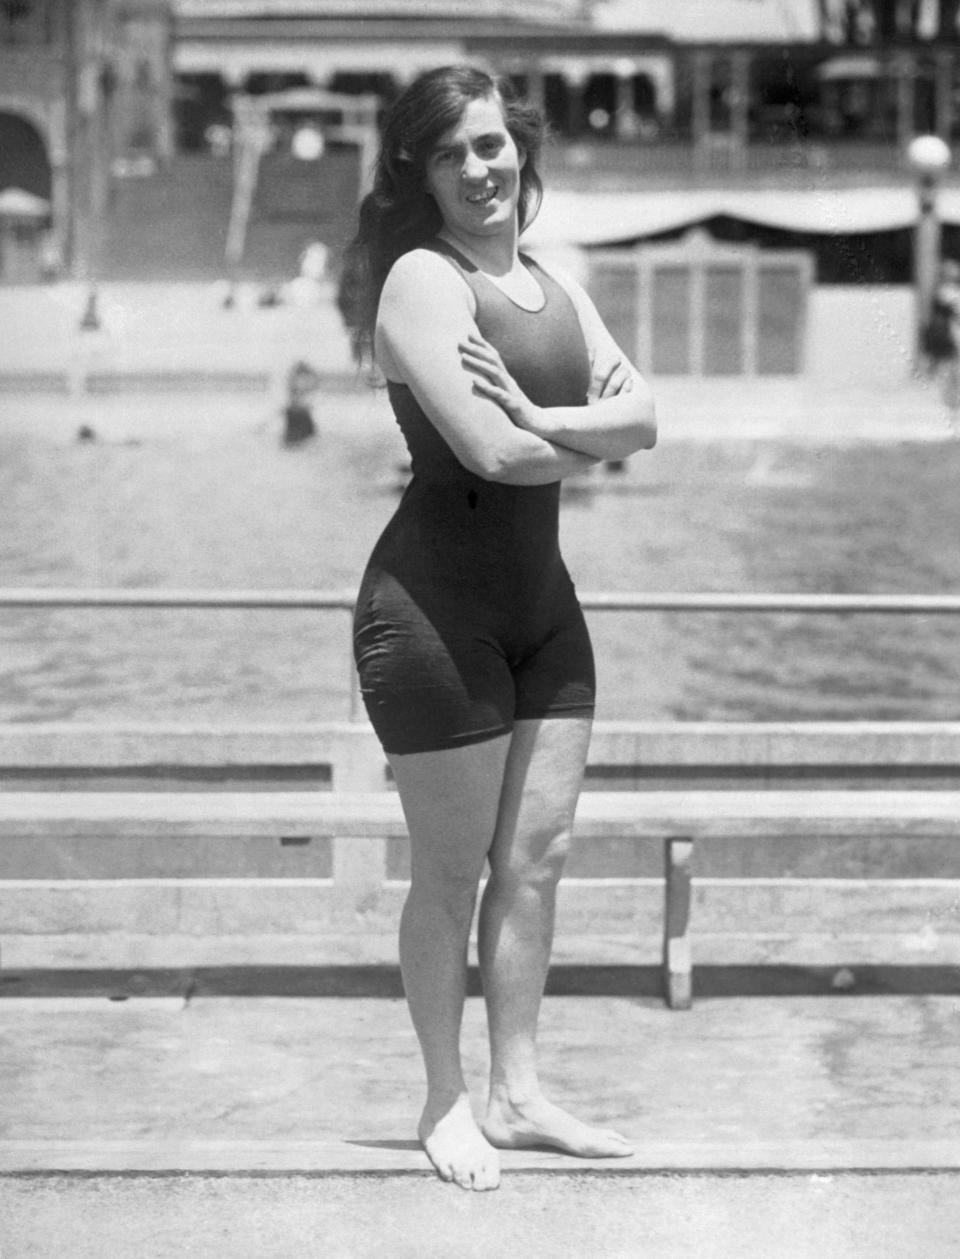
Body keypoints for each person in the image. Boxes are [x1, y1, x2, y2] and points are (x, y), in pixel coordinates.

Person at [337, 65, 656, 1192]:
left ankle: (520, 1092)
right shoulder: (422, 282)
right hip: (434, 610)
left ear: (522, 150)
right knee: (452, 869)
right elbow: (492, 453)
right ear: (417, 172)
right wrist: (575, 430)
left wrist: (542, 413)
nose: (479, 168)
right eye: (450, 153)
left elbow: (647, 414)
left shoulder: (552, 287)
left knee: (540, 859)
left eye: (492, 145)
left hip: (542, 609)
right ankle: (445, 1096)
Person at [921, 259, 960, 408]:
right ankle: (951, 400)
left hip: (951, 332)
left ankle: (952, 399)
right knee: (951, 367)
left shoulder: (949, 291)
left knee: (951, 368)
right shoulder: (945, 291)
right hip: (949, 333)